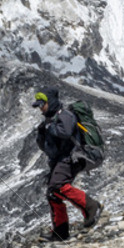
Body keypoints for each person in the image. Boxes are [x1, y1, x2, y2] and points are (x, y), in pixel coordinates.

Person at [33, 89, 103, 240]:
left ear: (49, 102)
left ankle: (92, 206)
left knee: (57, 186)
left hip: (72, 157)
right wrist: (41, 133)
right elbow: (46, 146)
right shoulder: (50, 120)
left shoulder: (65, 115)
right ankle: (60, 232)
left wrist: (48, 128)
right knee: (52, 193)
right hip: (60, 160)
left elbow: (65, 132)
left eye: (42, 105)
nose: (40, 108)